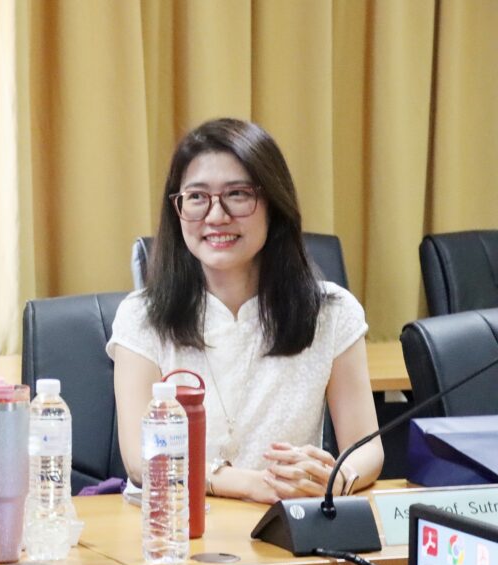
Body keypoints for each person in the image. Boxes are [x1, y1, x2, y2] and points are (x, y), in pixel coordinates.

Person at [108, 118, 383, 503]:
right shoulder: (142, 316)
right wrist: (247, 483)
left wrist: (338, 478)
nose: (216, 216)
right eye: (197, 197)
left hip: (283, 525)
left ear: (274, 204)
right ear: (177, 209)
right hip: (175, 525)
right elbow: (141, 460)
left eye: (237, 194)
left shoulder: (331, 313)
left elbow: (366, 448)